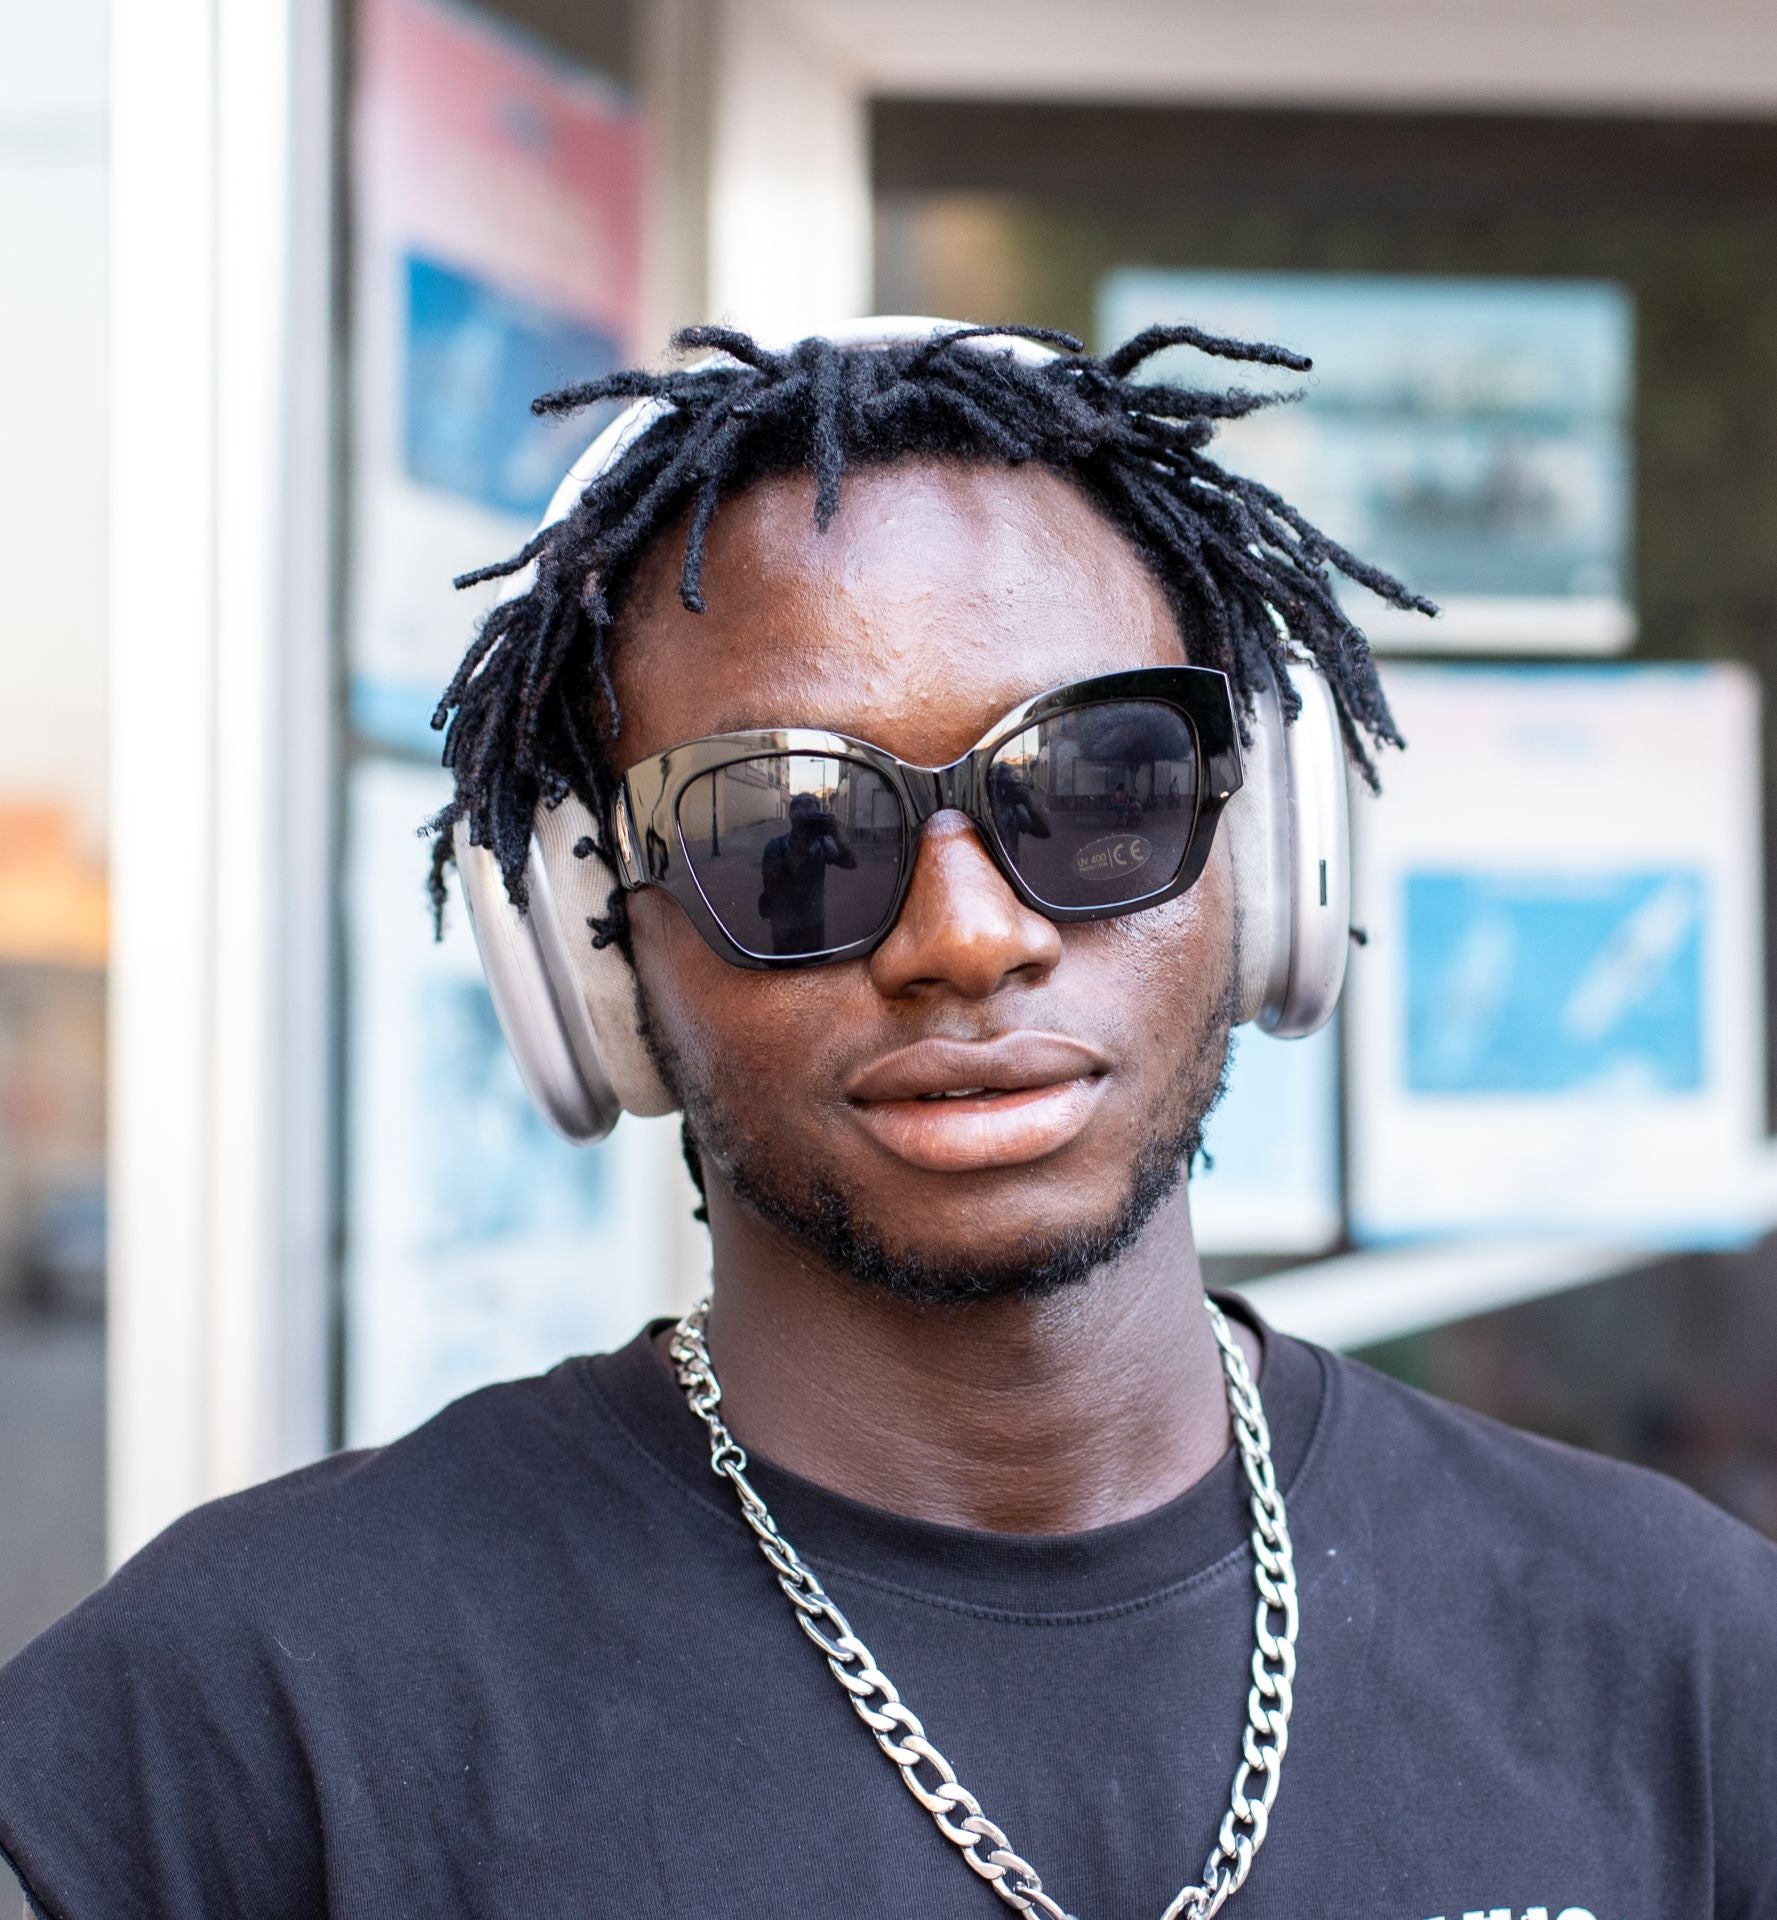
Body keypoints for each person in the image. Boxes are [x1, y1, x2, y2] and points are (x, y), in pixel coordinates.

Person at [2, 321, 1774, 1920]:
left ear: (1267, 860)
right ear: (592, 951)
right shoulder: (234, 1727)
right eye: (791, 832)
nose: (969, 936)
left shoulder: (1685, 1661)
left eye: (1098, 789)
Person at [757, 789, 857, 954]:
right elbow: (774, 883)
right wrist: (803, 843)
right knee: (784, 967)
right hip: (785, 924)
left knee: (815, 966)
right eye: (800, 808)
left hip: (814, 921)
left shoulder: (822, 844)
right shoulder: (776, 846)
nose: (806, 812)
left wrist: (836, 833)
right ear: (791, 815)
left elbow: (850, 863)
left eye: (811, 808)